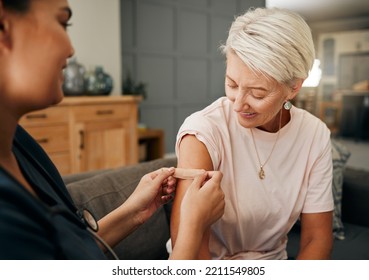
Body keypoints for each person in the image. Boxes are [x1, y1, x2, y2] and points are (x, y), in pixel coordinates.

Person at [0, 0, 225, 260]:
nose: (71, 49)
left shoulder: (20, 147)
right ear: (4, 26)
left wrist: (132, 213)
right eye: (63, 23)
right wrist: (192, 227)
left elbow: (66, 259)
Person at [170, 7, 334, 260]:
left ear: (293, 87)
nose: (238, 104)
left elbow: (316, 238)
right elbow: (190, 252)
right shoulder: (202, 133)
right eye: (232, 84)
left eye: (257, 93)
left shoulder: (315, 135)